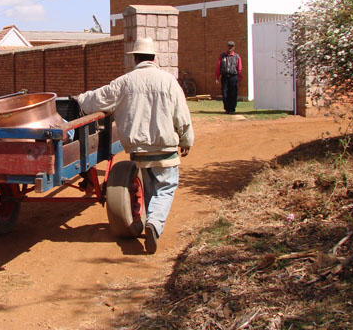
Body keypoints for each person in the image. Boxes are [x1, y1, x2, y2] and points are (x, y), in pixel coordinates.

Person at [77, 38, 194, 254]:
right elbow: (182, 116)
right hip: (165, 147)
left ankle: (151, 222)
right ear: (154, 57)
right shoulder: (168, 81)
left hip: (139, 151)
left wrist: (79, 99)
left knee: (149, 188)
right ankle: (154, 224)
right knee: (166, 187)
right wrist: (186, 140)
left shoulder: (124, 82)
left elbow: (97, 99)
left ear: (135, 58)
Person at [215, 41, 243, 114]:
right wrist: (217, 77)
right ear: (227, 47)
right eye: (229, 46)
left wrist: (240, 78)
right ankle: (227, 109)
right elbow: (218, 67)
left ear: (234, 47)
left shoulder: (237, 57)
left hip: (233, 77)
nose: (230, 48)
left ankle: (232, 109)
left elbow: (239, 68)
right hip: (225, 77)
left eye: (232, 46)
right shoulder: (222, 56)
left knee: (233, 93)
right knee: (225, 94)